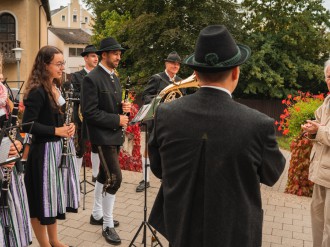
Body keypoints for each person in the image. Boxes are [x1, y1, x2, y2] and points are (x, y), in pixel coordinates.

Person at [147, 25, 286, 247]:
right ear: (235, 72)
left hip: (181, 229)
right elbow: (272, 174)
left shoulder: (165, 113)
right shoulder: (259, 124)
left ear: (197, 73)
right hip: (234, 235)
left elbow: (158, 168)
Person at [22, 45, 79, 247]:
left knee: (52, 199)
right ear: (45, 65)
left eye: (63, 63)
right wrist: (56, 131)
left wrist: (68, 127)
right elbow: (27, 125)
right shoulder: (37, 91)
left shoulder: (55, 87)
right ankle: (45, 245)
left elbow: (55, 120)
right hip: (42, 154)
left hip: (55, 152)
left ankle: (54, 241)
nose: (62, 67)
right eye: (58, 63)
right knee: (40, 202)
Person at [81, 37, 131, 245]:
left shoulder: (114, 77)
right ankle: (107, 225)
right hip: (102, 137)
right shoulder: (91, 78)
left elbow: (112, 106)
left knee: (103, 175)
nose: (119, 56)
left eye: (120, 53)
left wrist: (123, 109)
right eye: (115, 53)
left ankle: (96, 215)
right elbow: (89, 113)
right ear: (104, 55)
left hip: (114, 135)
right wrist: (117, 118)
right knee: (115, 179)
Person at [136, 51, 182, 193]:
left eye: (177, 64)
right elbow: (146, 96)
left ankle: (166, 177)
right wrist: (161, 102)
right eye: (172, 63)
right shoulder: (157, 79)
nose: (175, 65)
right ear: (166, 63)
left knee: (169, 149)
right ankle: (145, 179)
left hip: (173, 121)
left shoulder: (181, 80)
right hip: (156, 119)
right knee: (149, 150)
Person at [302, 59, 330, 247]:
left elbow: (323, 130)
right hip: (321, 173)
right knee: (318, 222)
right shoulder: (327, 101)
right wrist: (310, 129)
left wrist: (318, 130)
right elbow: (320, 126)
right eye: (328, 77)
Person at [0, 84, 32, 246]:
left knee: (13, 217)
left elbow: (14, 131)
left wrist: (17, 145)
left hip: (10, 170)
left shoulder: (5, 97)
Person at [70, 44, 99, 181]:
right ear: (86, 58)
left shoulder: (100, 76)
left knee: (96, 146)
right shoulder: (76, 76)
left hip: (95, 116)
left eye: (97, 56)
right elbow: (73, 95)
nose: (96, 58)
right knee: (79, 148)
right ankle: (76, 179)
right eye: (93, 56)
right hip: (80, 117)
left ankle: (95, 175)